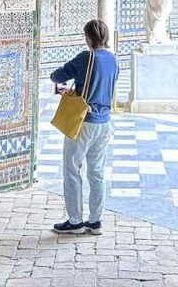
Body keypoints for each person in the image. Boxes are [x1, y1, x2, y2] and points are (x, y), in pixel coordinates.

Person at [49, 18, 119, 235]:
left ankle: (75, 221)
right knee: (97, 172)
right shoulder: (113, 59)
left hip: (83, 122)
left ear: (88, 38)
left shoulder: (86, 57)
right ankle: (96, 221)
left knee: (72, 169)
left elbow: (57, 76)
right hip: (105, 122)